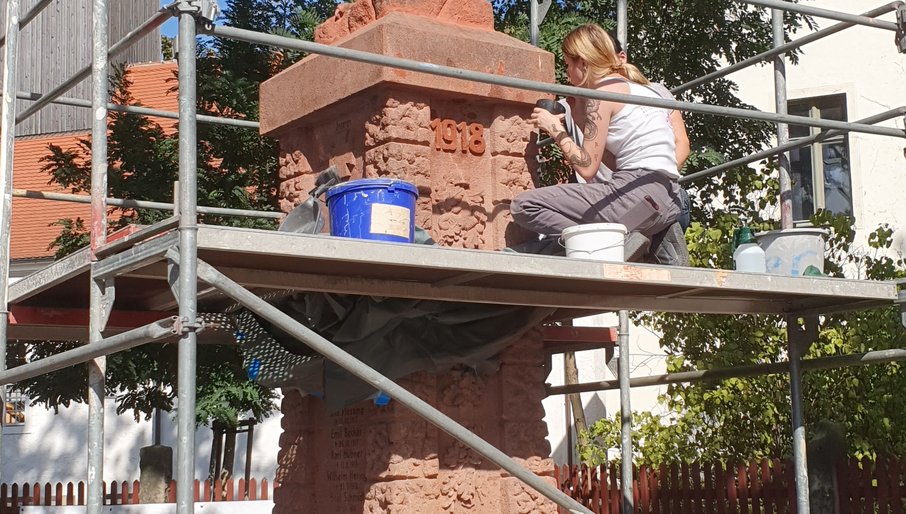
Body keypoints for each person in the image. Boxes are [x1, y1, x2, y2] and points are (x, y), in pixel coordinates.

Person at [511, 24, 688, 265]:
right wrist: (581, 117)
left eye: (567, 65)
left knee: (524, 205)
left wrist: (555, 129)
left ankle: (607, 244)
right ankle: (642, 236)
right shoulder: (646, 92)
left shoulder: (602, 93)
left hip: (634, 193)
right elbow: (616, 162)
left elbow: (586, 168)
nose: (566, 73)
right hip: (668, 196)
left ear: (583, 63)